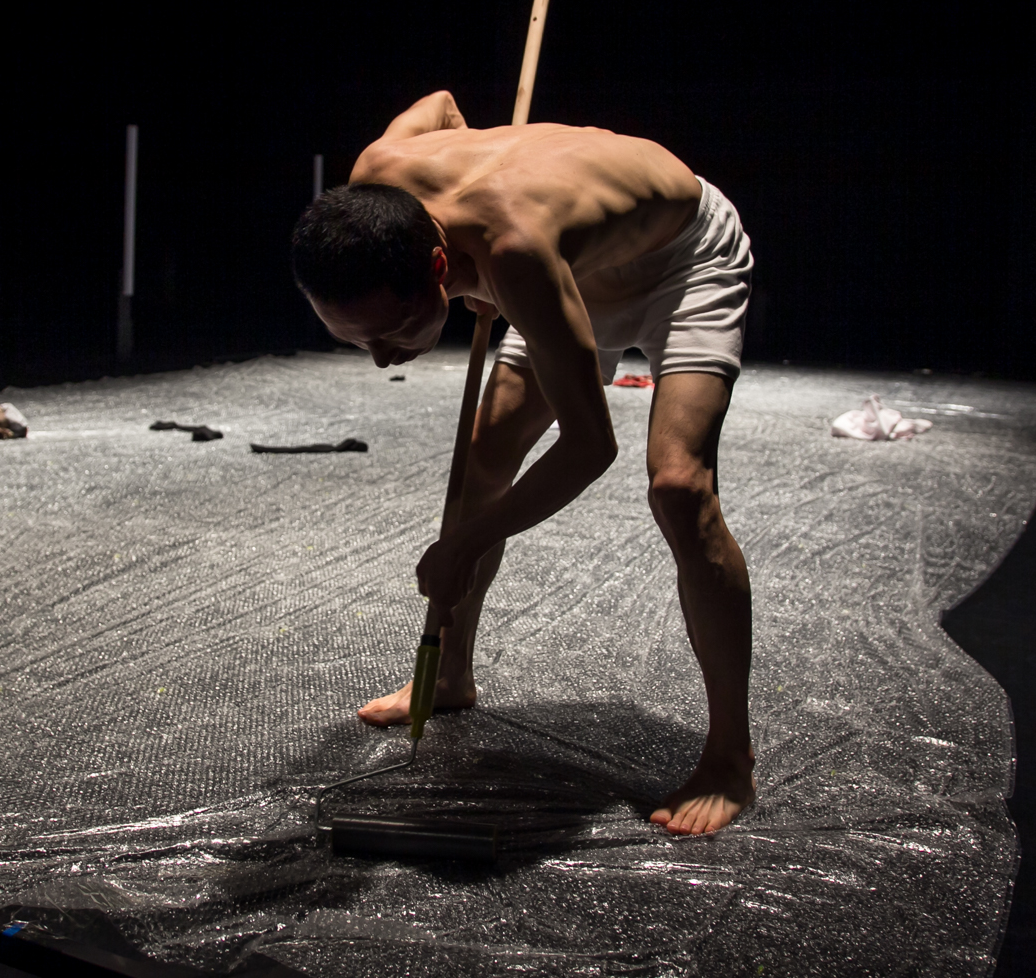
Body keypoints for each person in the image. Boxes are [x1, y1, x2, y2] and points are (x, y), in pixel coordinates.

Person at [290, 91, 755, 835]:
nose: (381, 358)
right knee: (486, 457)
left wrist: (462, 543)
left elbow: (588, 447)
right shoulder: (376, 177)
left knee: (678, 487)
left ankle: (730, 756)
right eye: (359, 340)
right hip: (561, 269)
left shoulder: (514, 249)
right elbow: (442, 105)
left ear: (437, 264)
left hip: (678, 260)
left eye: (395, 331)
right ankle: (449, 675)